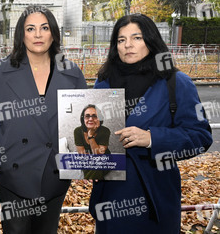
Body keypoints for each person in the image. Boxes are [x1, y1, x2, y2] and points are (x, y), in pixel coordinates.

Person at [89, 13, 212, 233]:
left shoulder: (176, 82)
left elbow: (201, 136)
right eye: (121, 39)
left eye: (136, 38)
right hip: (110, 197)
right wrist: (89, 163)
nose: (128, 45)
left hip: (154, 196)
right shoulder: (103, 82)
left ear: (151, 40)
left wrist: (152, 138)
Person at [0, 5, 87, 233]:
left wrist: (91, 164)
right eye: (31, 29)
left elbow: (84, 123)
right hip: (13, 176)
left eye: (44, 28)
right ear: (21, 34)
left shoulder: (72, 72)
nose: (38, 34)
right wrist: (2, 161)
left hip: (55, 175)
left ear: (53, 33)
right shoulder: (0, 72)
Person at [73, 104, 111, 179]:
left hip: (104, 159)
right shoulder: (77, 131)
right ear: (83, 118)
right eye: (87, 116)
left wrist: (90, 136)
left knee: (98, 165)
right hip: (86, 161)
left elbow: (99, 155)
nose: (90, 119)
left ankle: (84, 187)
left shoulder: (105, 131)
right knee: (95, 167)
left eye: (94, 116)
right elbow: (82, 155)